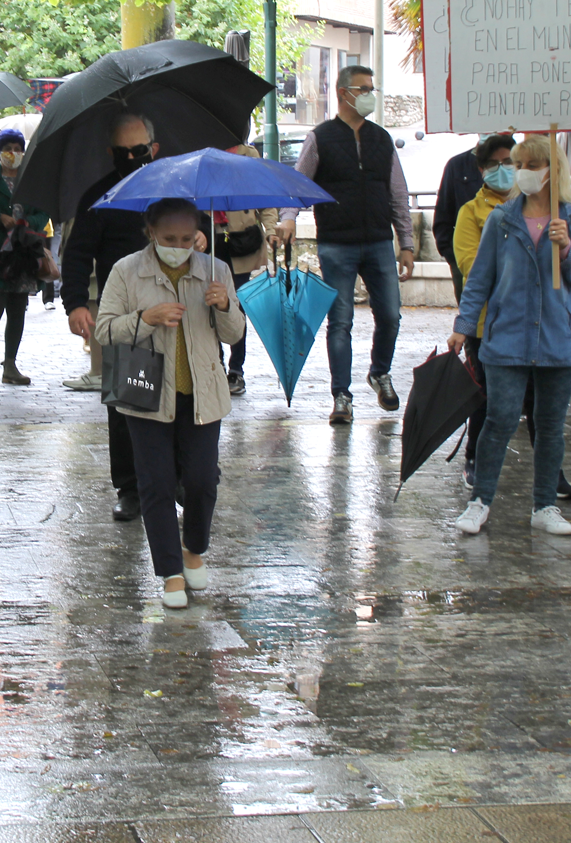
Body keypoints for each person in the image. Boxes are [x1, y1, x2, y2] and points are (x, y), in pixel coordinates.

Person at [93, 197, 247, 609]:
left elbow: (234, 334)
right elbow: (104, 331)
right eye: (169, 238)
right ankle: (170, 573)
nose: (178, 246)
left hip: (202, 392)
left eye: (185, 238)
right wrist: (146, 319)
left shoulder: (215, 270)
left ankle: (193, 548)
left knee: (202, 479)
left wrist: (225, 305)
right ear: (151, 233)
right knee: (155, 483)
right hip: (145, 392)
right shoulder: (126, 271)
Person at [446, 136, 571, 537]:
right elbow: (480, 278)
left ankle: (545, 505)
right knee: (500, 419)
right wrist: (463, 326)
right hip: (506, 337)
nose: (521, 172)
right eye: (519, 164)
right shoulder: (502, 220)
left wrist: (567, 249)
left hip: (558, 338)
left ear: (551, 170)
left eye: (531, 165)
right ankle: (480, 501)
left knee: (550, 425)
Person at [275, 65, 415, 423]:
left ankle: (379, 372)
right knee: (340, 321)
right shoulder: (320, 137)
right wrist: (288, 218)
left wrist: (407, 242)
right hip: (337, 243)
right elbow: (298, 184)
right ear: (343, 93)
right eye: (363, 88)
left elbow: (398, 193)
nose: (370, 95)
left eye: (372, 88)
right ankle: (341, 395)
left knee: (390, 315)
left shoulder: (381, 139)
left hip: (379, 241)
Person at [62, 111, 170, 522]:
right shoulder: (100, 198)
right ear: (111, 153)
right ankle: (130, 487)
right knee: (127, 402)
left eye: (137, 150)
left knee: (179, 394)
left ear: (153, 149)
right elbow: (76, 253)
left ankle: (178, 476)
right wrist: (75, 303)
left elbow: (200, 237)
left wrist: (199, 237)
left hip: (178, 312)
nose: (130, 158)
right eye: (122, 152)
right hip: (126, 317)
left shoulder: (174, 191)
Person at [0, 129, 50, 387]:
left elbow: (43, 214)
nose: (13, 153)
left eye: (17, 149)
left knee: (17, 310)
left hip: (23, 254)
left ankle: (10, 365)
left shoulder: (32, 180)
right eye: (8, 149)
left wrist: (28, 222)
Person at [210, 143, 278, 397]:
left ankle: (235, 368)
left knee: (236, 305)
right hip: (209, 241)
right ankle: (215, 363)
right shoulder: (203, 155)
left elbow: (265, 200)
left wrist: (271, 231)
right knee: (209, 304)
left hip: (242, 243)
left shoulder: (248, 156)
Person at [433, 136, 490, 301]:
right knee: (471, 309)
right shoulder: (457, 165)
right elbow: (444, 214)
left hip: (511, 263)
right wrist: (453, 257)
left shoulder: (521, 163)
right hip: (465, 261)